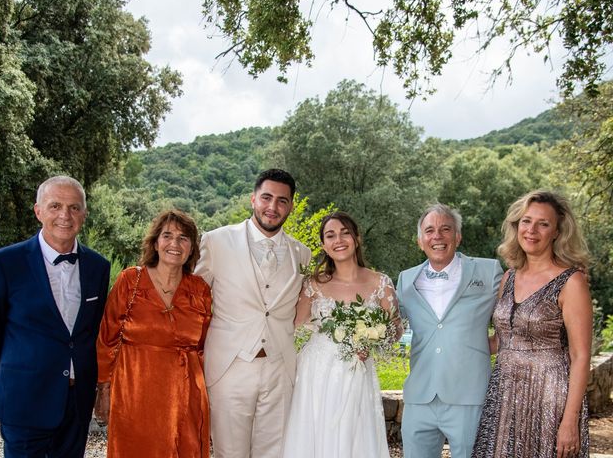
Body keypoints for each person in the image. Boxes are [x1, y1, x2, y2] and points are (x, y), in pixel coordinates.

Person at [0, 175, 110, 458]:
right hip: (23, 401)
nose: (65, 215)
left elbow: (93, 332)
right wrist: (11, 386)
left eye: (74, 207)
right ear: (38, 211)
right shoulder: (5, 263)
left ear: (84, 214)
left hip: (76, 403)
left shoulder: (98, 266)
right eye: (55, 206)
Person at [195, 169, 311, 458]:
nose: (273, 207)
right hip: (230, 366)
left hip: (280, 367)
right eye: (266, 198)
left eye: (282, 201)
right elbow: (192, 300)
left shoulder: (303, 254)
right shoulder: (216, 241)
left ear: (291, 206)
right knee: (229, 452)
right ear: (253, 199)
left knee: (275, 452)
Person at [472, 190, 592, 458]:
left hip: (550, 396)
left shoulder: (572, 282)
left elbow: (581, 355)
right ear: (516, 226)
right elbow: (501, 340)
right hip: (504, 393)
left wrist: (570, 420)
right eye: (526, 221)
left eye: (543, 224)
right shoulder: (509, 277)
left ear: (557, 232)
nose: (532, 230)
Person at [281, 211, 401, 458]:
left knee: (356, 435)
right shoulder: (313, 284)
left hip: (358, 370)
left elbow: (396, 328)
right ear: (324, 245)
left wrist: (373, 339)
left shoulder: (381, 283)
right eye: (330, 235)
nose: (339, 240)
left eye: (345, 233)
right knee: (316, 434)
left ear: (356, 238)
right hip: (316, 372)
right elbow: (291, 324)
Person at [94, 209, 212, 458]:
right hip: (135, 393)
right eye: (167, 235)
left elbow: (205, 347)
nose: (175, 244)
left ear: (192, 248)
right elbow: (106, 339)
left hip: (186, 393)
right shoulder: (130, 281)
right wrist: (103, 390)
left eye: (183, 238)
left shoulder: (199, 289)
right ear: (155, 243)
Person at [397, 203, 503, 458]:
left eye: (446, 229)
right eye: (430, 230)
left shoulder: (489, 271)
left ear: (457, 236)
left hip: (469, 394)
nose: (437, 236)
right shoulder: (405, 279)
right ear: (420, 240)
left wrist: (491, 344)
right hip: (419, 396)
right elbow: (392, 326)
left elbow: (513, 317)